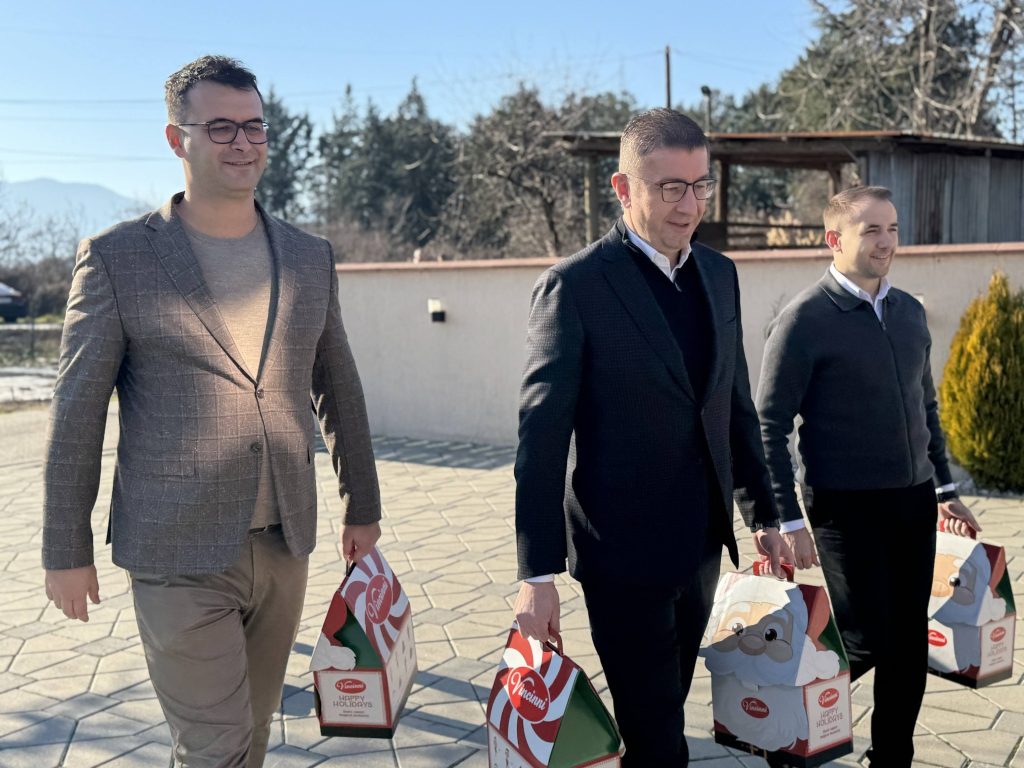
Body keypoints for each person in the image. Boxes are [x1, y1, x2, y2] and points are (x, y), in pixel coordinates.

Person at [41, 55, 382, 767]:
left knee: (247, 737)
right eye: (221, 127)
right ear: (177, 139)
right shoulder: (117, 258)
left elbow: (337, 384)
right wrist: (65, 549)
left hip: (285, 540)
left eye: (254, 126)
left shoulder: (308, 255)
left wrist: (363, 505)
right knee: (216, 747)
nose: (242, 142)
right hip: (174, 550)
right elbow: (77, 411)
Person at [512, 108, 790, 766]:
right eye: (670, 187)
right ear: (623, 187)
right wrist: (537, 575)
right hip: (620, 555)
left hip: (700, 546)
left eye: (700, 185)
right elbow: (540, 440)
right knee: (659, 735)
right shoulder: (575, 287)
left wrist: (763, 513)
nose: (688, 205)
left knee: (666, 711)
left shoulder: (719, 275)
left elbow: (733, 405)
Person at [756, 185, 981, 767]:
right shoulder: (804, 319)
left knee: (907, 642)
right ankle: (784, 736)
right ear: (835, 239)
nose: (887, 242)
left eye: (893, 228)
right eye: (872, 230)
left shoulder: (908, 312)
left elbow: (925, 406)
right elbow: (769, 425)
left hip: (912, 500)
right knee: (863, 640)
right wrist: (787, 519)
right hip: (843, 507)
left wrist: (945, 488)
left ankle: (892, 757)